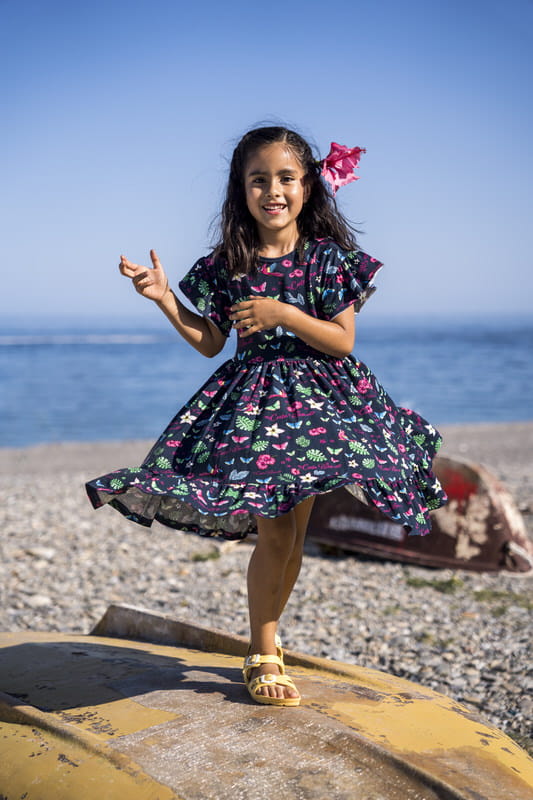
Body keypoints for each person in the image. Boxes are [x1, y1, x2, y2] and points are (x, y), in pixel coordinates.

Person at [86, 125, 447, 707]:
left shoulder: (327, 260)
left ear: (308, 186)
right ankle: (263, 651)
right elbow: (211, 342)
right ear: (242, 189)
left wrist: (284, 313)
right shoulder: (228, 264)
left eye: (285, 178)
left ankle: (268, 639)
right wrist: (166, 300)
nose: (272, 191)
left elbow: (342, 341)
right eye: (259, 180)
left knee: (294, 538)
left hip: (321, 408)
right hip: (257, 413)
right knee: (276, 531)